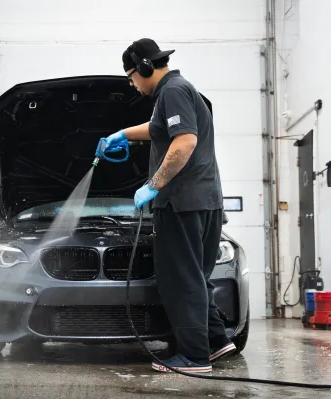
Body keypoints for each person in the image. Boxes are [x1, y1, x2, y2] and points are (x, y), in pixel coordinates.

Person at [96, 38, 236, 373]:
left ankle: (193, 357)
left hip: (181, 202)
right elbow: (160, 129)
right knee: (196, 277)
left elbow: (185, 140)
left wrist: (153, 186)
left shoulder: (172, 91)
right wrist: (123, 134)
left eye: (131, 76)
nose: (131, 84)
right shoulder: (178, 91)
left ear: (144, 68)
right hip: (203, 201)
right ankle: (216, 342)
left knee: (179, 280)